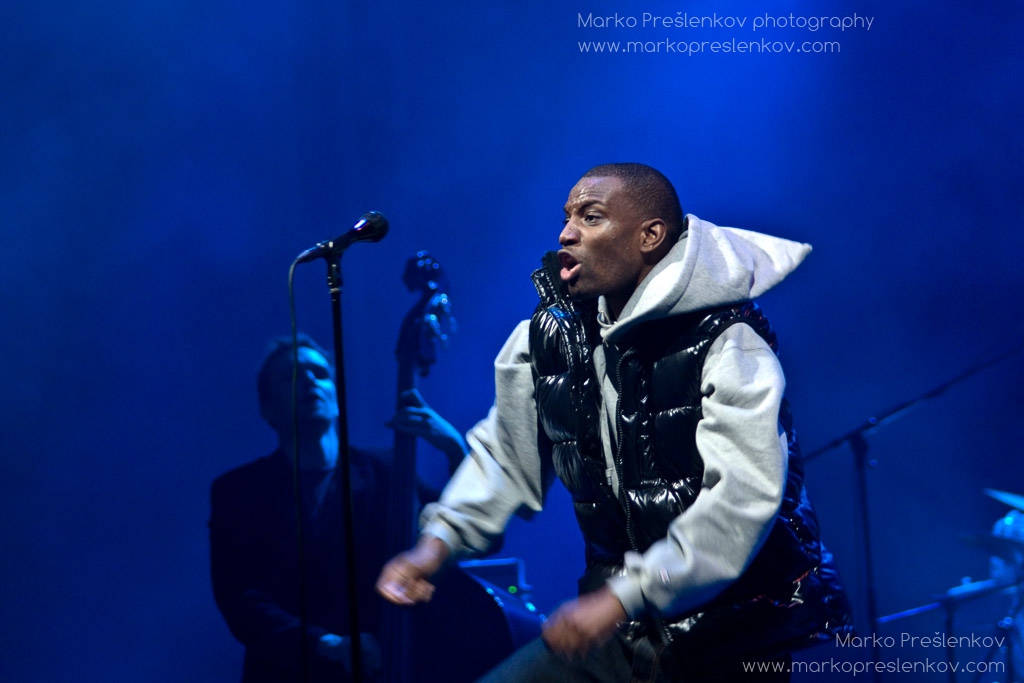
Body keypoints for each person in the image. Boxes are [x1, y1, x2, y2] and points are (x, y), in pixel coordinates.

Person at [377, 163, 854, 681]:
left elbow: (740, 501)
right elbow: (504, 456)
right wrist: (436, 545)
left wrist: (625, 596)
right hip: (616, 625)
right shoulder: (547, 340)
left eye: (591, 216)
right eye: (567, 217)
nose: (566, 233)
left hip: (726, 630)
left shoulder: (728, 342)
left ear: (650, 236)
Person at [209, 333, 468, 682]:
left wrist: (455, 450)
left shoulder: (387, 470)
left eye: (320, 373)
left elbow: (463, 536)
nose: (310, 381)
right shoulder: (238, 491)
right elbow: (240, 598)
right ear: (267, 410)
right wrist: (324, 644)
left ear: (336, 399)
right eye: (291, 376)